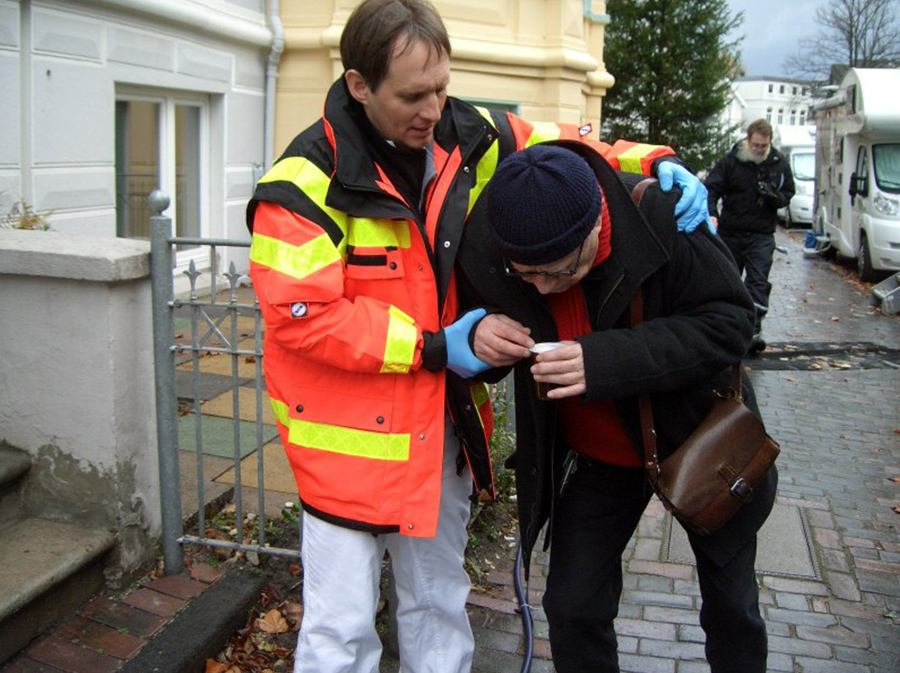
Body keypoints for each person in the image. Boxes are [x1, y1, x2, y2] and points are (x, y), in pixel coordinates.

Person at [245, 1, 710, 670]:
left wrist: (658, 162)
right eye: (413, 95)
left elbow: (571, 145)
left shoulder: (473, 135)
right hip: (347, 452)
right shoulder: (303, 187)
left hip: (438, 435)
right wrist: (436, 346)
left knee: (438, 607)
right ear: (358, 86)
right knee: (341, 630)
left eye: (441, 87)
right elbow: (305, 318)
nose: (433, 109)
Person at [459, 142, 777, 673]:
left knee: (732, 607)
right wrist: (480, 339)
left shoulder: (662, 216)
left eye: (560, 272)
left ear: (595, 227)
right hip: (599, 457)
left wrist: (604, 361)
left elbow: (730, 324)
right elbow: (487, 332)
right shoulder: (498, 242)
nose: (541, 287)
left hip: (700, 439)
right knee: (572, 604)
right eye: (527, 275)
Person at [705, 118, 795, 355]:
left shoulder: (778, 163)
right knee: (728, 281)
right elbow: (712, 188)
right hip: (731, 231)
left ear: (769, 143)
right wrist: (712, 214)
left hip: (761, 233)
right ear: (748, 140)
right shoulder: (732, 161)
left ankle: (753, 330)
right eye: (755, 145)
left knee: (758, 282)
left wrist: (775, 197)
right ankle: (728, 326)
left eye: (763, 146)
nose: (759, 150)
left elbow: (789, 192)